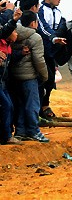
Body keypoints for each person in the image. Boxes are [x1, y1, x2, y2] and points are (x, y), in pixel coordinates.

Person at [10, 10, 51, 142]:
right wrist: (45, 76)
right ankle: (34, 131)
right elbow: (39, 60)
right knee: (32, 105)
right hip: (29, 77)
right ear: (34, 23)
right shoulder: (35, 37)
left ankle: (20, 131)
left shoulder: (14, 34)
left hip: (14, 76)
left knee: (20, 105)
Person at [37, 0, 66, 120]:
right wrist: (53, 38)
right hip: (42, 50)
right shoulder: (41, 10)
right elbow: (43, 29)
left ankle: (45, 105)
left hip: (53, 52)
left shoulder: (59, 12)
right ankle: (39, 107)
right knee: (42, 79)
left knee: (50, 80)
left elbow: (61, 27)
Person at [0, 8, 23, 145]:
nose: (16, 33)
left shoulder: (7, 45)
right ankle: (6, 136)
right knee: (7, 105)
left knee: (9, 105)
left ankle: (6, 135)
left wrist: (14, 20)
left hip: (3, 81)